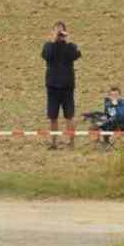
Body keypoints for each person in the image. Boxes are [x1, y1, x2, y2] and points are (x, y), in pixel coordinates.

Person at [41, 21, 82, 150]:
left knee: (69, 116)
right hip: (53, 86)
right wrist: (54, 40)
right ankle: (53, 142)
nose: (59, 33)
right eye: (57, 31)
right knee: (53, 117)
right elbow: (46, 56)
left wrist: (67, 41)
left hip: (67, 87)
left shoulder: (70, 46)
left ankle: (71, 143)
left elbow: (76, 55)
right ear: (52, 32)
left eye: (61, 30)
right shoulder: (48, 45)